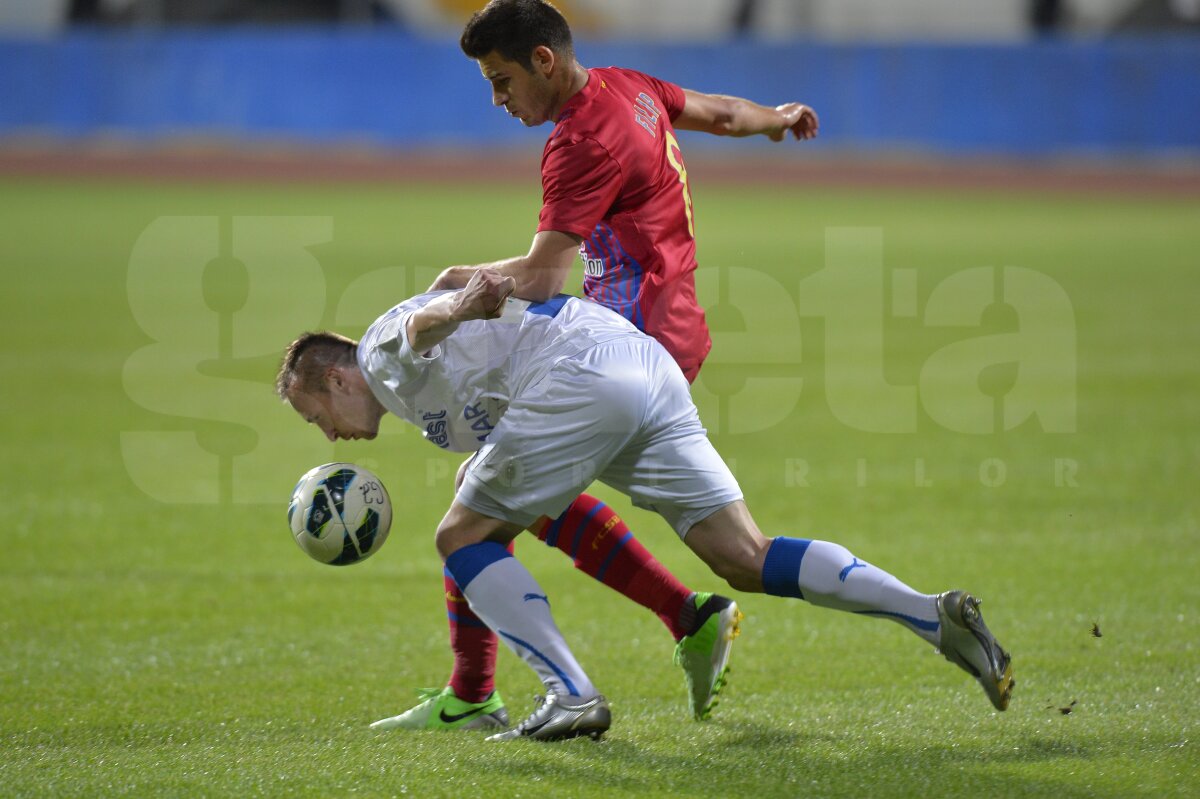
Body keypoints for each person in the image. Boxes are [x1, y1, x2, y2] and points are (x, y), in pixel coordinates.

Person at [276, 270, 1015, 742]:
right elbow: (457, 312)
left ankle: (569, 694)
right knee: (745, 556)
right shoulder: (416, 387)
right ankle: (932, 613)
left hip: (579, 376)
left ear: (334, 380)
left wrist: (462, 300)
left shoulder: (374, 353)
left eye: (317, 416)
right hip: (638, 364)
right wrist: (469, 291)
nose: (332, 436)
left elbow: (416, 326)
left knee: (459, 534)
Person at [392, 0, 821, 732]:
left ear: (543, 62)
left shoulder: (578, 139)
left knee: (479, 508)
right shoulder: (631, 86)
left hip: (625, 347)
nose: (499, 101)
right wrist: (775, 118)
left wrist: (464, 285)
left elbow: (540, 276)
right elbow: (718, 112)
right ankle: (674, 621)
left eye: (501, 81)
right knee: (493, 489)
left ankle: (516, 686)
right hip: (656, 337)